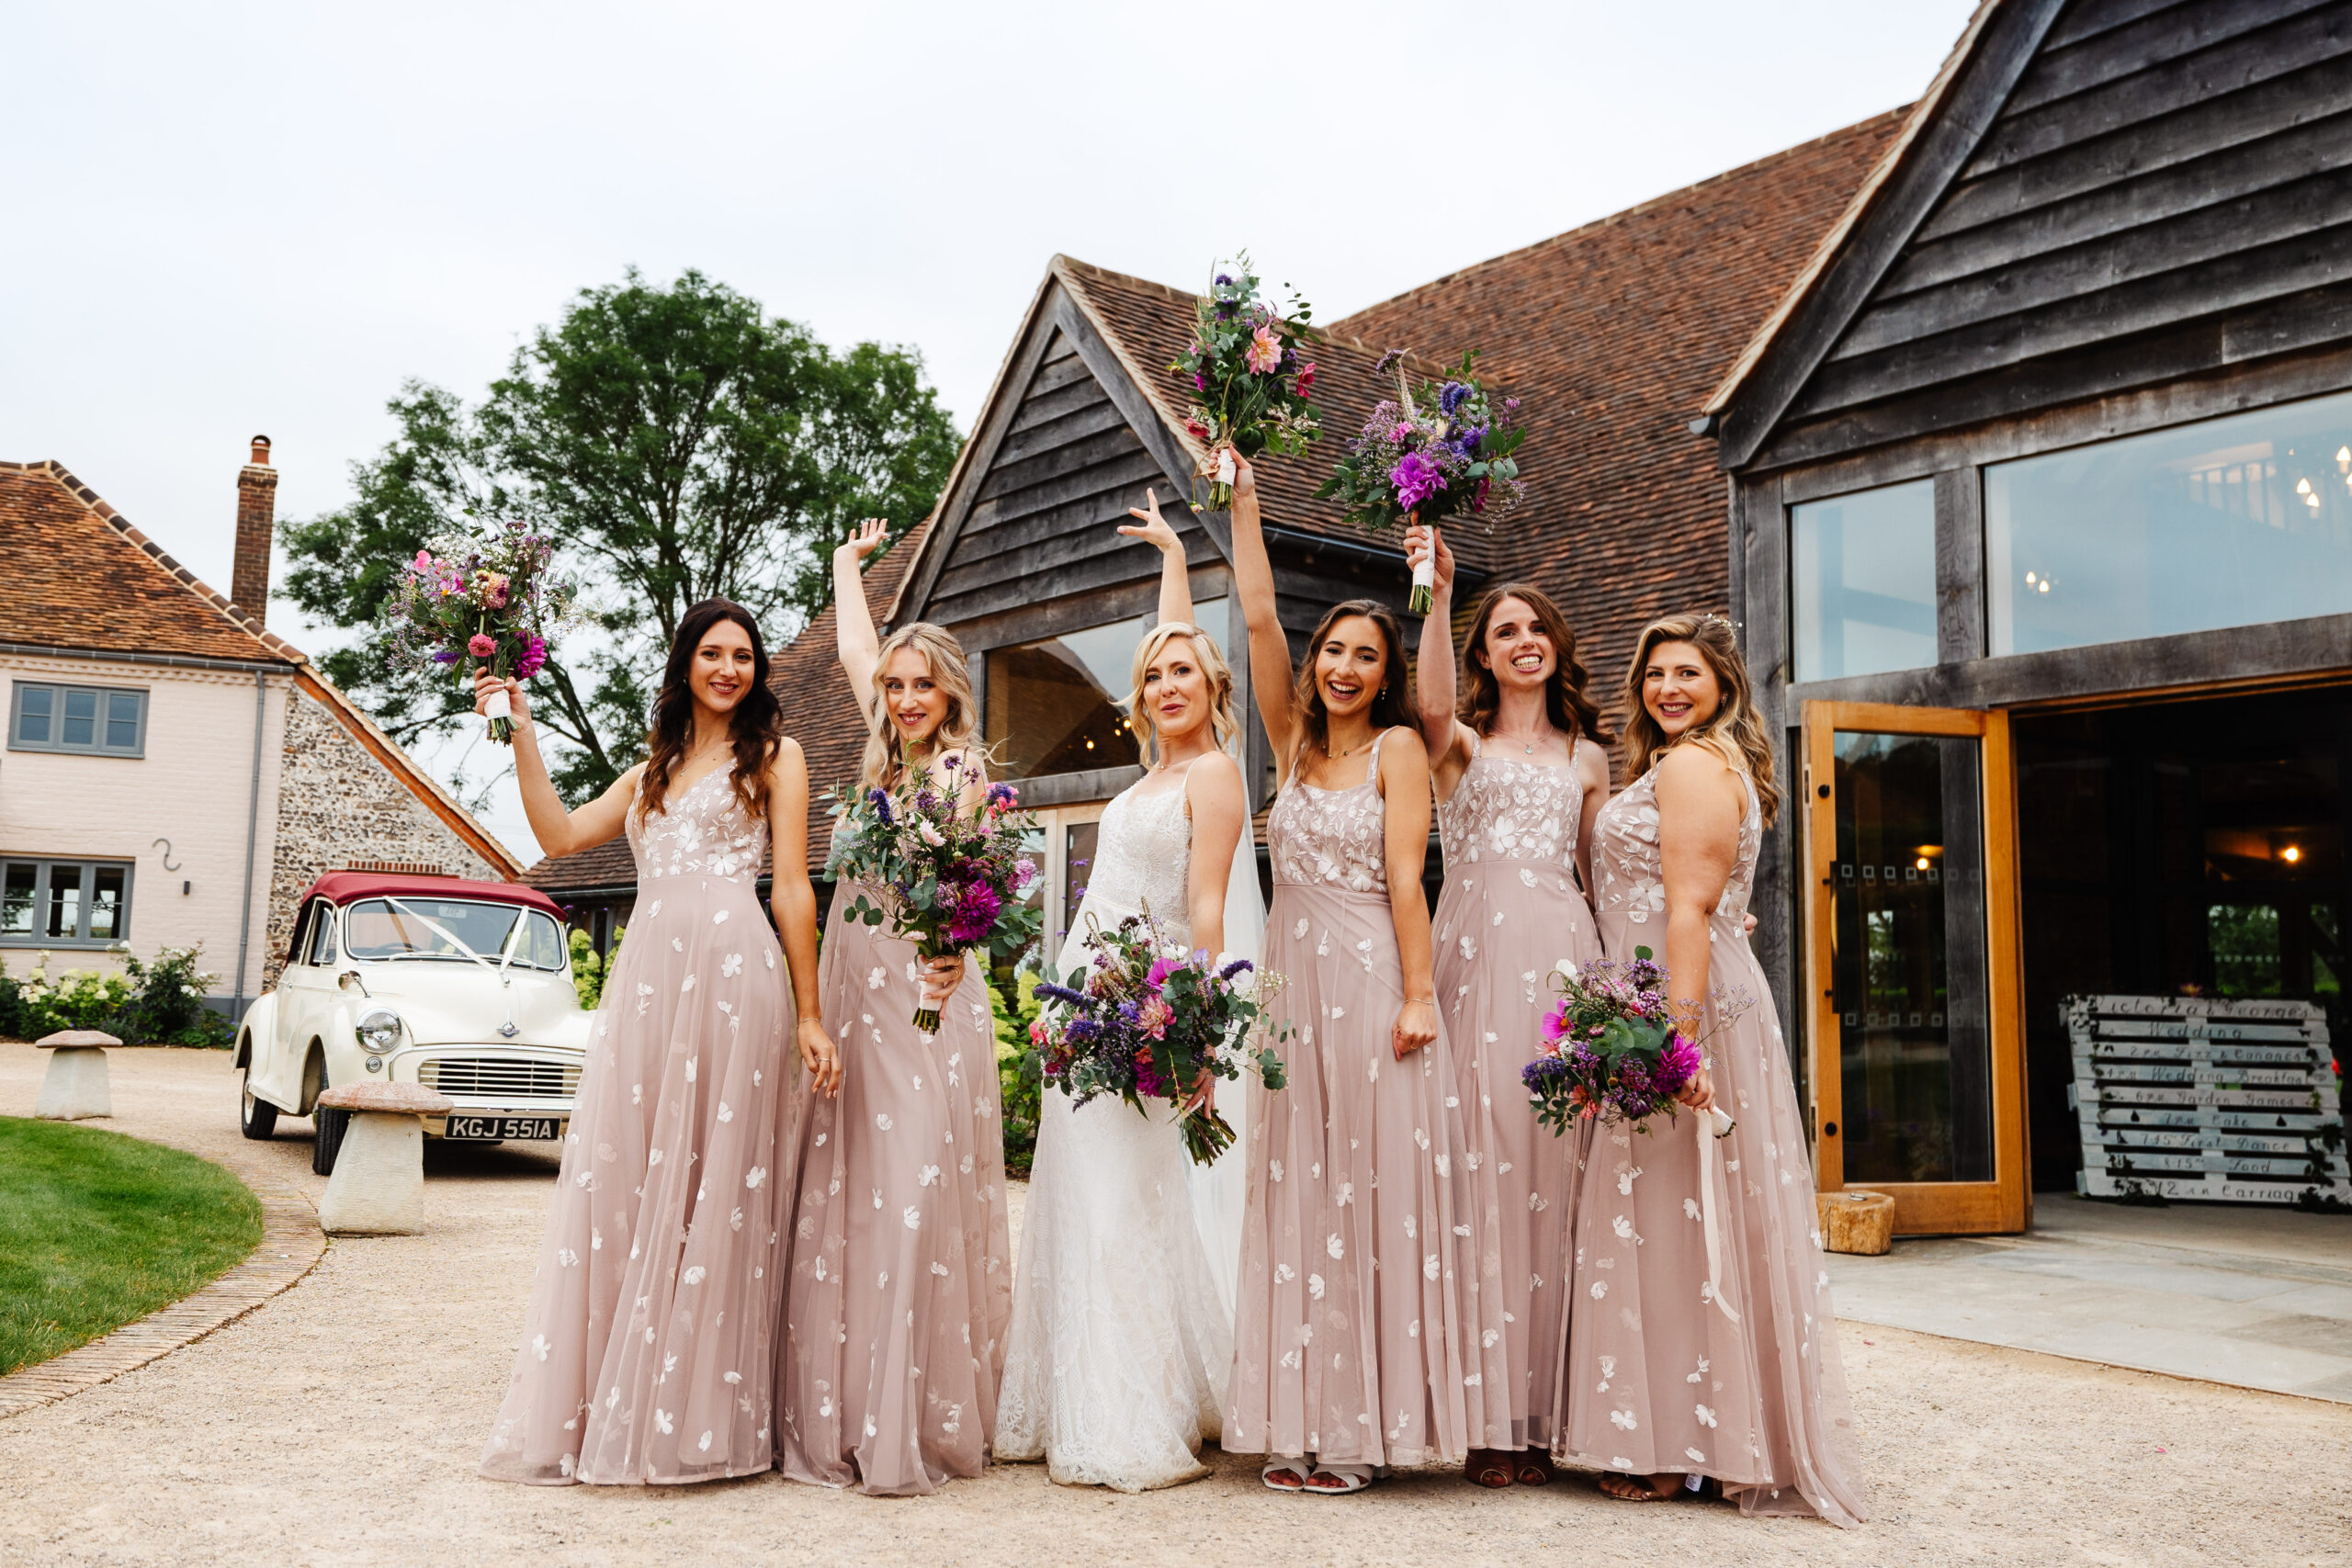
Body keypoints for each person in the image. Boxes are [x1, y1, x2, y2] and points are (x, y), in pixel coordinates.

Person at [479, 598, 830, 1485]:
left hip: (733, 978)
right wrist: (522, 725)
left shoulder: (778, 758)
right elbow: (557, 837)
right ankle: (626, 1392)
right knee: (636, 1177)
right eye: (713, 653)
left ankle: (707, 1410)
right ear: (686, 665)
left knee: (719, 1179)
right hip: (648, 987)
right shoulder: (649, 772)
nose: (729, 668)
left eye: (743, 656)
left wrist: (809, 1009)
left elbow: (792, 889)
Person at [1221, 455, 1505, 1495]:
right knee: (1296, 1193)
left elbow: (1405, 879)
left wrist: (1420, 995)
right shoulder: (1291, 747)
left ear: (1385, 673)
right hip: (1289, 983)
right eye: (1332, 650)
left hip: (1368, 975)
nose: (1342, 666)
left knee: (1360, 1192)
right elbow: (1255, 620)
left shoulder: (1395, 750)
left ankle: (1359, 1428)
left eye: (1362, 655)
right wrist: (1245, 501)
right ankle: (1294, 1419)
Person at [1558, 613, 1867, 1527]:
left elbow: (1689, 910)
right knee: (1683, 1219)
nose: (1667, 688)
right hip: (1662, 993)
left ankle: (1676, 1445)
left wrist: (1674, 1041)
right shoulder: (1684, 763)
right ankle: (1692, 1430)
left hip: (1677, 1006)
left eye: (1686, 673)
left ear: (1723, 685)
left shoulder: (1692, 764)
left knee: (1673, 1215)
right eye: (1654, 673)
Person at [995, 490, 1264, 1491]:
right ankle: (1070, 1389)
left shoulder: (1215, 777)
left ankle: (1129, 1414)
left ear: (1213, 685)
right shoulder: (1140, 780)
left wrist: (1191, 1032)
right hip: (1083, 1007)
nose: (1164, 686)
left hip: (1139, 1015)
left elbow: (1203, 909)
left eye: (1182, 671)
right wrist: (1165, 559)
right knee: (1074, 1197)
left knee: (1128, 1203)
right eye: (1152, 676)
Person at [773, 519, 1013, 1497]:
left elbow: (965, 893)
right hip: (851, 980)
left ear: (951, 692)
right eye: (898, 687)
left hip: (920, 995)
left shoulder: (960, 775)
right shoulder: (881, 762)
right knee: (850, 1187)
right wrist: (845, 567)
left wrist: (953, 954)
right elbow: (854, 650)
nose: (908, 699)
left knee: (911, 1189)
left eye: (925, 685)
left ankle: (908, 1416)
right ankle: (841, 1402)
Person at [1405, 525, 1611, 1488]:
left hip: (1564, 961)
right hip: (1476, 957)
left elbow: (1606, 881)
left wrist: (1623, 997)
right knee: (1481, 1168)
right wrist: (1440, 593)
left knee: (1558, 1173)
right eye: (1504, 631)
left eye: (1535, 627)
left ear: (1557, 644)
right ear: (1485, 655)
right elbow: (1430, 704)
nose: (1523, 639)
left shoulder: (1589, 757)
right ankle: (1486, 1416)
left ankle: (1552, 1414)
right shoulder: (1459, 747)